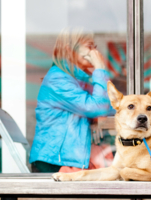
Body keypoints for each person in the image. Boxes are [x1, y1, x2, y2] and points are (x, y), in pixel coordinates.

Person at [29, 29, 115, 172]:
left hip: (65, 161)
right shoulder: (58, 79)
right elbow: (96, 108)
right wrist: (100, 69)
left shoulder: (76, 80)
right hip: (54, 163)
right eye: (89, 46)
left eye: (95, 47)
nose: (95, 53)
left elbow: (106, 107)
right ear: (70, 50)